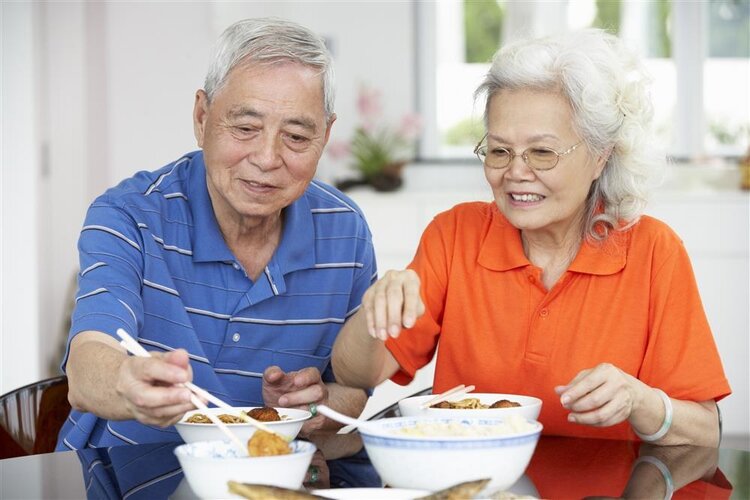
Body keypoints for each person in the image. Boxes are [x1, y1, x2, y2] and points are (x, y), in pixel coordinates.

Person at [332, 29, 730, 446]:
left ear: (600, 155)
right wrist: (371, 317)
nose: (516, 172)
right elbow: (355, 373)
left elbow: (705, 431)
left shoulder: (653, 251)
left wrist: (640, 401)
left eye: (543, 153)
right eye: (500, 151)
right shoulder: (455, 236)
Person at [57, 17, 379, 488]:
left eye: (296, 136)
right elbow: (88, 367)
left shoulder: (344, 229)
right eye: (245, 126)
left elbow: (354, 393)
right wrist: (129, 383)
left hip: (280, 483)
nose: (268, 158)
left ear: (325, 136)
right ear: (202, 118)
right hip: (128, 479)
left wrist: (314, 404)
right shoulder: (129, 215)